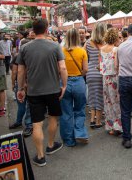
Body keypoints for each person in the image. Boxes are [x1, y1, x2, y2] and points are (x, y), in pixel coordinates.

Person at [17, 18, 67, 166]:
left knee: (37, 123)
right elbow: (63, 68)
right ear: (46, 30)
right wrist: (64, 85)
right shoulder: (55, 46)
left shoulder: (25, 48)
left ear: (33, 30)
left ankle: (40, 156)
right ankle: (51, 145)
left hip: (33, 91)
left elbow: (20, 70)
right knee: (53, 118)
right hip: (53, 90)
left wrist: (20, 88)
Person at [60, 28, 89, 147]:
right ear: (78, 37)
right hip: (78, 81)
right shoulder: (82, 51)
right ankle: (80, 133)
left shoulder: (61, 51)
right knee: (80, 110)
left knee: (66, 112)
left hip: (64, 82)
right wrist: (79, 76)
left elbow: (59, 69)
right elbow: (85, 69)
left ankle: (68, 139)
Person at [100, 28, 122, 136]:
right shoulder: (115, 49)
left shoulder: (102, 49)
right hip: (114, 77)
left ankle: (111, 125)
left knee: (107, 101)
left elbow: (101, 64)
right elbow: (117, 65)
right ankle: (118, 126)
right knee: (116, 101)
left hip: (105, 78)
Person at [9, 39, 33, 137]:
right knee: (29, 106)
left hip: (20, 83)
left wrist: (13, 84)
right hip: (31, 84)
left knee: (21, 105)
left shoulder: (16, 57)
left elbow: (15, 72)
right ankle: (28, 125)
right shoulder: (33, 56)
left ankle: (19, 122)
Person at [84, 22, 106, 128]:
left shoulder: (88, 42)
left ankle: (92, 120)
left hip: (90, 72)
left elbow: (83, 56)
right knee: (100, 96)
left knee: (92, 96)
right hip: (101, 72)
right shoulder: (106, 43)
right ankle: (98, 122)